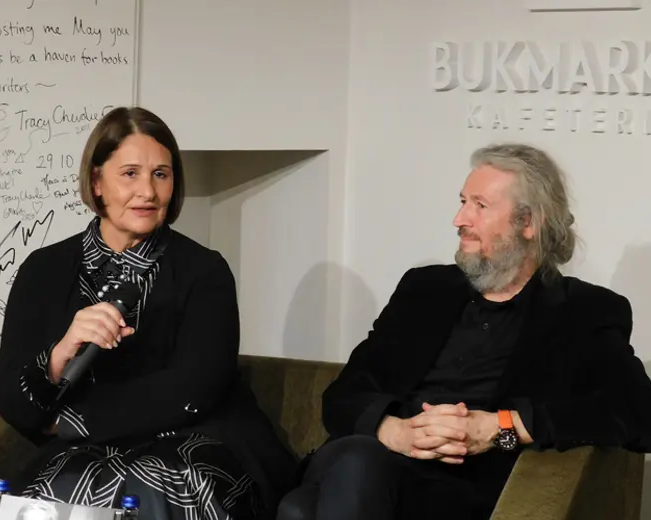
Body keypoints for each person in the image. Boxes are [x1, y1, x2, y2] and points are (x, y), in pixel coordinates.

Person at [276, 143, 651, 520]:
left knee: (299, 509)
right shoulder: (424, 290)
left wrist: (501, 427)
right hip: (371, 459)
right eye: (462, 202)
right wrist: (397, 432)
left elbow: (637, 412)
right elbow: (343, 395)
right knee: (356, 464)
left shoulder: (582, 311)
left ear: (528, 223)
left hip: (463, 492)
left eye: (479, 205)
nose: (459, 219)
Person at [0, 106, 296, 520]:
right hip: (85, 451)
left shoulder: (204, 270)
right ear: (97, 182)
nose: (148, 192)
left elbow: (194, 389)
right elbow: (13, 401)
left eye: (161, 174)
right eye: (130, 173)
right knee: (54, 491)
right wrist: (61, 353)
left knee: (153, 483)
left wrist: (71, 422)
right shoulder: (42, 270)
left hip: (195, 440)